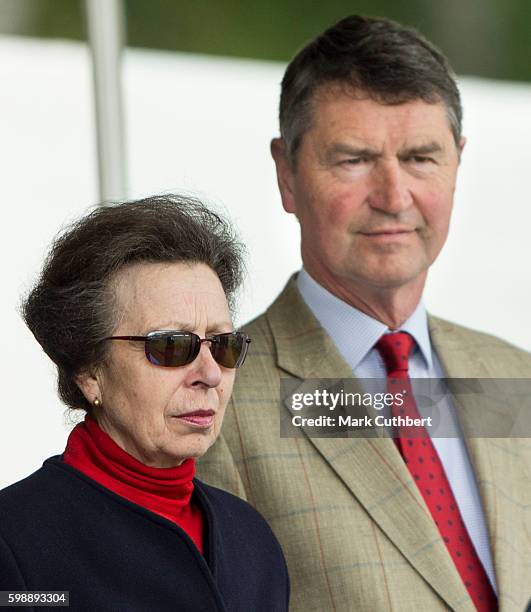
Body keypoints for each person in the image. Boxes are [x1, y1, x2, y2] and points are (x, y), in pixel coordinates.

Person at [198, 15, 531, 612]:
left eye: (421, 158)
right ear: (287, 175)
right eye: (353, 159)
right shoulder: (213, 397)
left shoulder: (514, 376)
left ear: (458, 162)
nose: (394, 196)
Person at [0, 196, 289, 612]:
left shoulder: (252, 538)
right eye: (171, 345)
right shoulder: (14, 541)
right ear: (89, 371)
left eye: (223, 345)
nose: (209, 374)